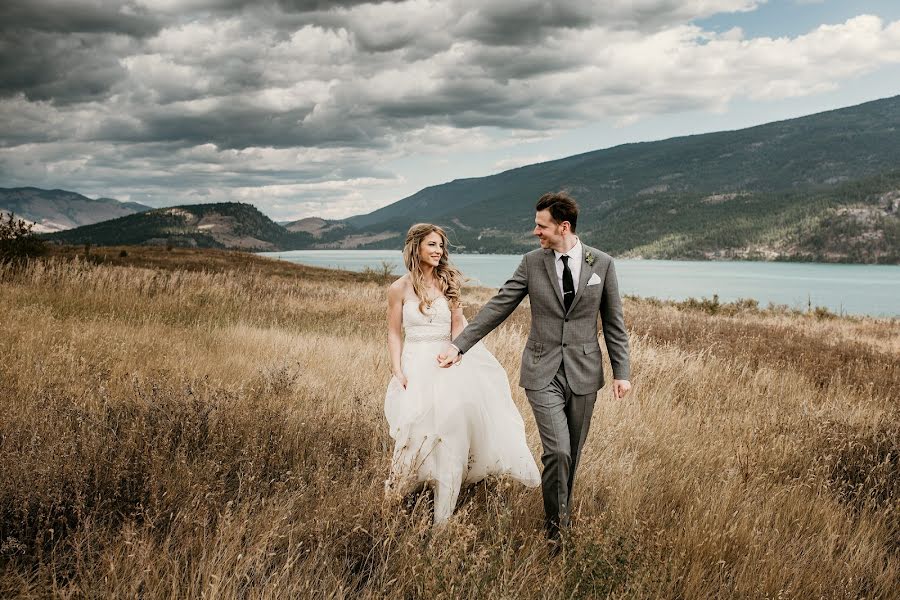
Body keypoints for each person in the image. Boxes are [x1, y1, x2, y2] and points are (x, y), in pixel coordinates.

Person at [438, 192, 631, 547]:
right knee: (557, 451)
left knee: (572, 453)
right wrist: (458, 345)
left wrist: (622, 372)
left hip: (585, 372)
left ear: (564, 227)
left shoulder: (602, 264)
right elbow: (499, 306)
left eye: (541, 226)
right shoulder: (531, 263)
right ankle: (556, 536)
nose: (535, 232)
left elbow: (614, 322)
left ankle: (562, 518)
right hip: (542, 372)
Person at [384, 223, 540, 524]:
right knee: (413, 434)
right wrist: (397, 370)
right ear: (415, 247)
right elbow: (394, 333)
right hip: (415, 366)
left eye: (441, 246)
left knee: (450, 433)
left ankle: (443, 515)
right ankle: (397, 502)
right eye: (432, 245)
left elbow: (459, 326)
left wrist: (456, 353)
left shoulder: (448, 282)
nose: (438, 251)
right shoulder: (398, 288)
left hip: (447, 363)